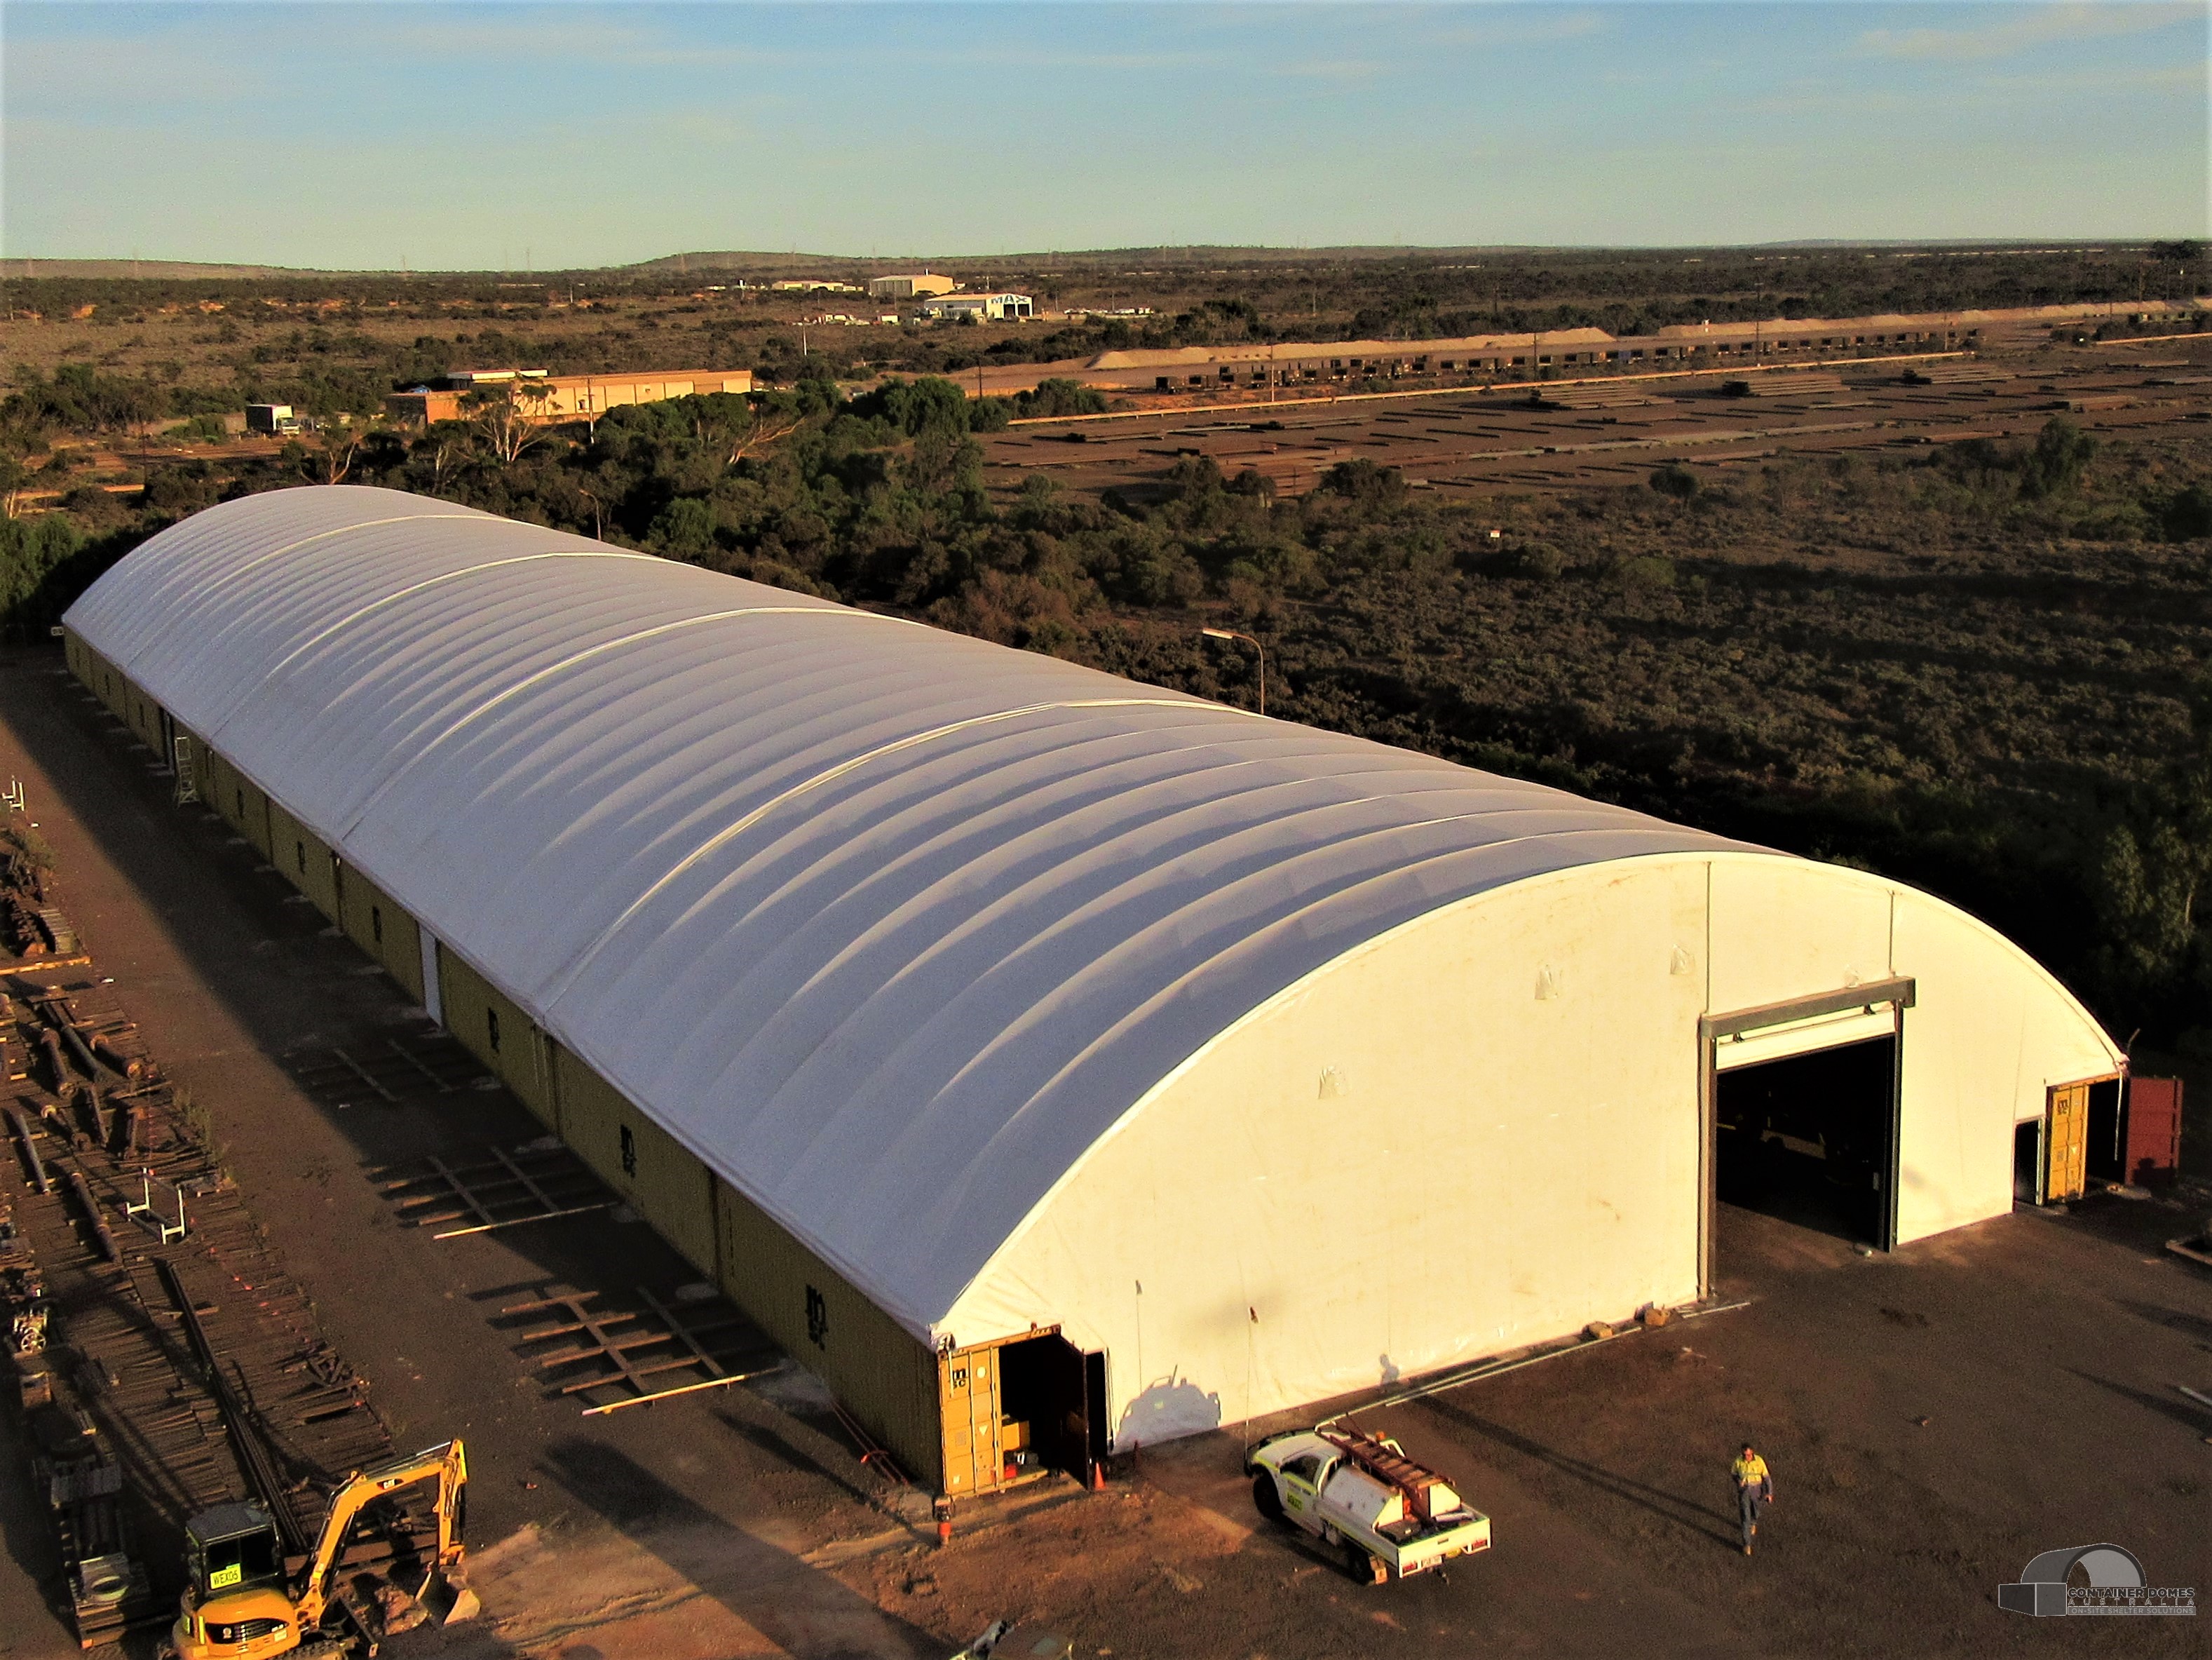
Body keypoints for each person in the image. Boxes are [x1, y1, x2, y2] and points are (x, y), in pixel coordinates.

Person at [1731, 1443, 1773, 1555]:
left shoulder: (1759, 1461)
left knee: (1757, 1512)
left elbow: (1767, 1478)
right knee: (1745, 1517)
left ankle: (1753, 1522)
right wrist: (1738, 1481)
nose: (1747, 1457)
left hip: (1757, 1492)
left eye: (1749, 1455)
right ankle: (1747, 1545)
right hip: (1744, 1492)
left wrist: (1769, 1493)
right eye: (1745, 1455)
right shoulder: (1738, 1461)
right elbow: (1734, 1474)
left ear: (1752, 1452)